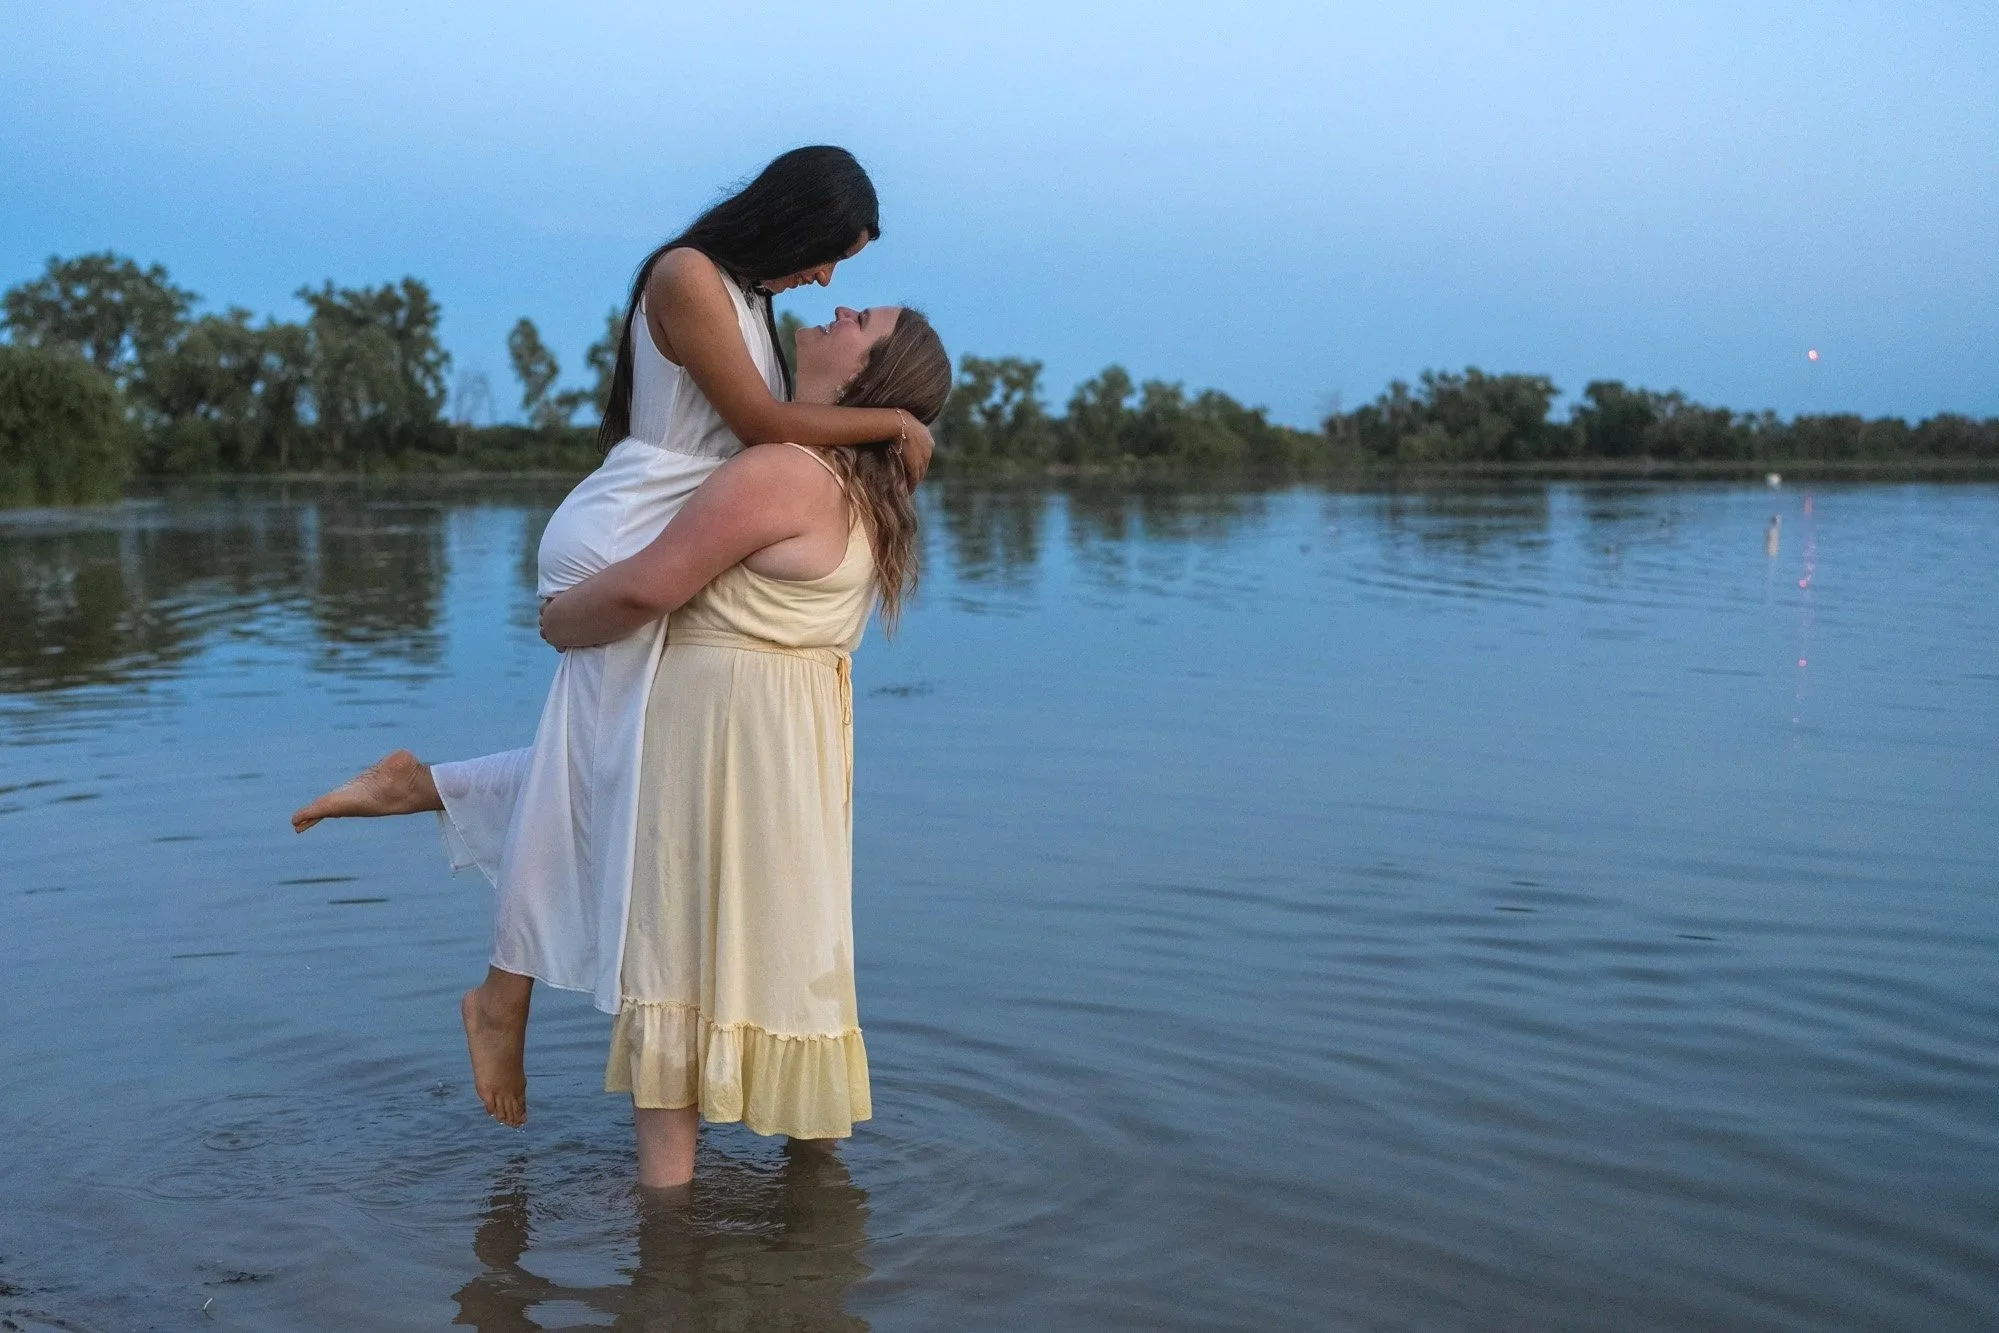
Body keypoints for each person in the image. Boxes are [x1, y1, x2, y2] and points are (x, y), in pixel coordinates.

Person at [290, 146, 935, 1128]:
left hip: (666, 523)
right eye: (827, 256)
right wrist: (891, 417)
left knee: (617, 768)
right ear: (793, 219)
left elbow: (774, 435)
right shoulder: (687, 276)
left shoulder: (749, 301)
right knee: (613, 772)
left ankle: (429, 801)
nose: (827, 282)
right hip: (627, 533)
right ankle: (499, 994)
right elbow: (765, 423)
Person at [540, 303, 951, 1186]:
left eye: (863, 319)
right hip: (790, 746)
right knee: (793, 953)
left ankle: (667, 1237)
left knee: (681, 952)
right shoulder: (865, 487)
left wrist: (555, 619)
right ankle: (817, 1212)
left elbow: (648, 585)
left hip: (723, 741)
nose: (839, 305)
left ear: (863, 375)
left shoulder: (779, 471)